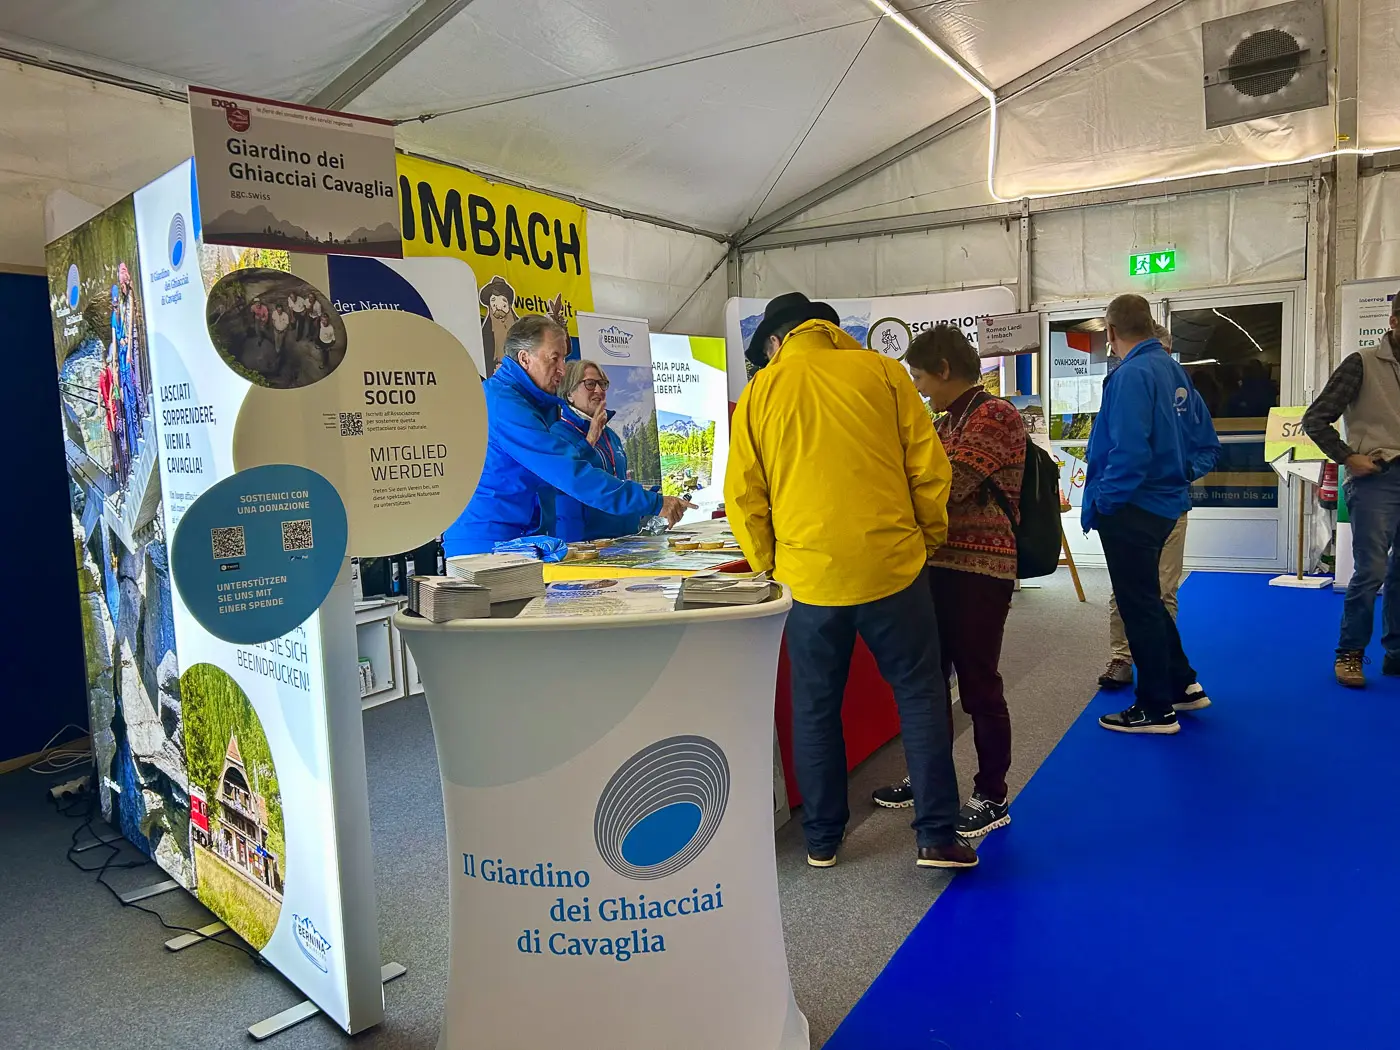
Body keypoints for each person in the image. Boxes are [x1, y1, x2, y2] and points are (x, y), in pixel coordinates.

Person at [726, 293, 976, 870]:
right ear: (833, 331)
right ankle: (937, 834)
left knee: (815, 706)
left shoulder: (763, 390)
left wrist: (768, 562)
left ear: (776, 341)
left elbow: (744, 492)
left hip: (809, 577)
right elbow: (929, 469)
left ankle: (822, 839)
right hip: (893, 567)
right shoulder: (884, 373)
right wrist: (924, 539)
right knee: (920, 696)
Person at [869, 325, 1024, 839]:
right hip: (934, 567)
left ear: (942, 369)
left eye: (919, 377)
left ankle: (991, 794)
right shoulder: (943, 420)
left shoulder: (995, 416)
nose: (918, 388)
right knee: (927, 684)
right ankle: (931, 780)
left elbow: (948, 486)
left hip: (981, 570)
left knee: (979, 684)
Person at [443, 315, 690, 556]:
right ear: (524, 358)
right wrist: (654, 503)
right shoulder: (504, 404)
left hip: (519, 540)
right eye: (555, 358)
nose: (562, 369)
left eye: (564, 358)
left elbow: (558, 469)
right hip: (488, 544)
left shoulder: (532, 405)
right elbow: (569, 473)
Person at [1084, 296, 1216, 733]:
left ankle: (1154, 707)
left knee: (1137, 605)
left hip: (1134, 507)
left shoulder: (1130, 375)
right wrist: (1179, 473)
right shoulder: (1171, 370)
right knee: (1148, 601)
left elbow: (1130, 451)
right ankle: (1183, 685)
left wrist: (1107, 500)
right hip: (1162, 503)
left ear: (1110, 332)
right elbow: (1202, 441)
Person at [1303, 289, 1400, 687]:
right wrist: (1347, 456)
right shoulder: (1361, 363)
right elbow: (1316, 418)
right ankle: (1350, 654)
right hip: (1378, 476)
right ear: (1394, 321)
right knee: (1371, 571)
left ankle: (1396, 653)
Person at [549, 360, 646, 541]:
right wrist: (590, 439)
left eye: (602, 384)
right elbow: (569, 478)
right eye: (590, 384)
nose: (599, 391)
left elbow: (619, 480)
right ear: (569, 394)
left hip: (624, 537)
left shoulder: (610, 435)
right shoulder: (558, 433)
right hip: (584, 542)